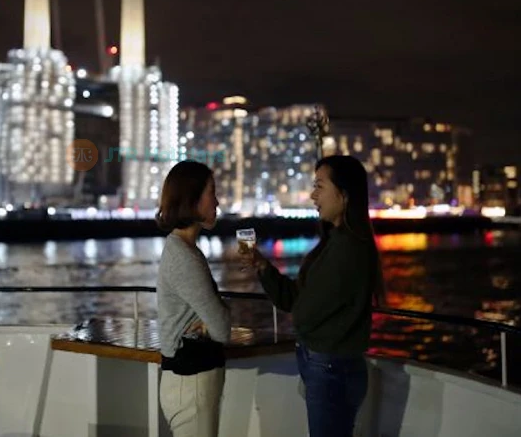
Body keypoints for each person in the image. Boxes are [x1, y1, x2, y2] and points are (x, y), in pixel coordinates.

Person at [239, 155, 385, 437]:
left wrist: (300, 308)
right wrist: (262, 265)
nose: (312, 195)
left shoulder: (347, 250)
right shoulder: (337, 243)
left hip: (331, 369)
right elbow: (294, 300)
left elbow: (302, 312)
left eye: (320, 186)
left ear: (343, 195)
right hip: (329, 366)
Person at [157, 160, 232, 437]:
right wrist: (215, 315)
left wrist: (207, 319)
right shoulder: (185, 257)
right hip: (192, 384)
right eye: (212, 192)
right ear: (192, 199)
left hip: (190, 383)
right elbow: (223, 328)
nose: (217, 201)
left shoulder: (183, 249)